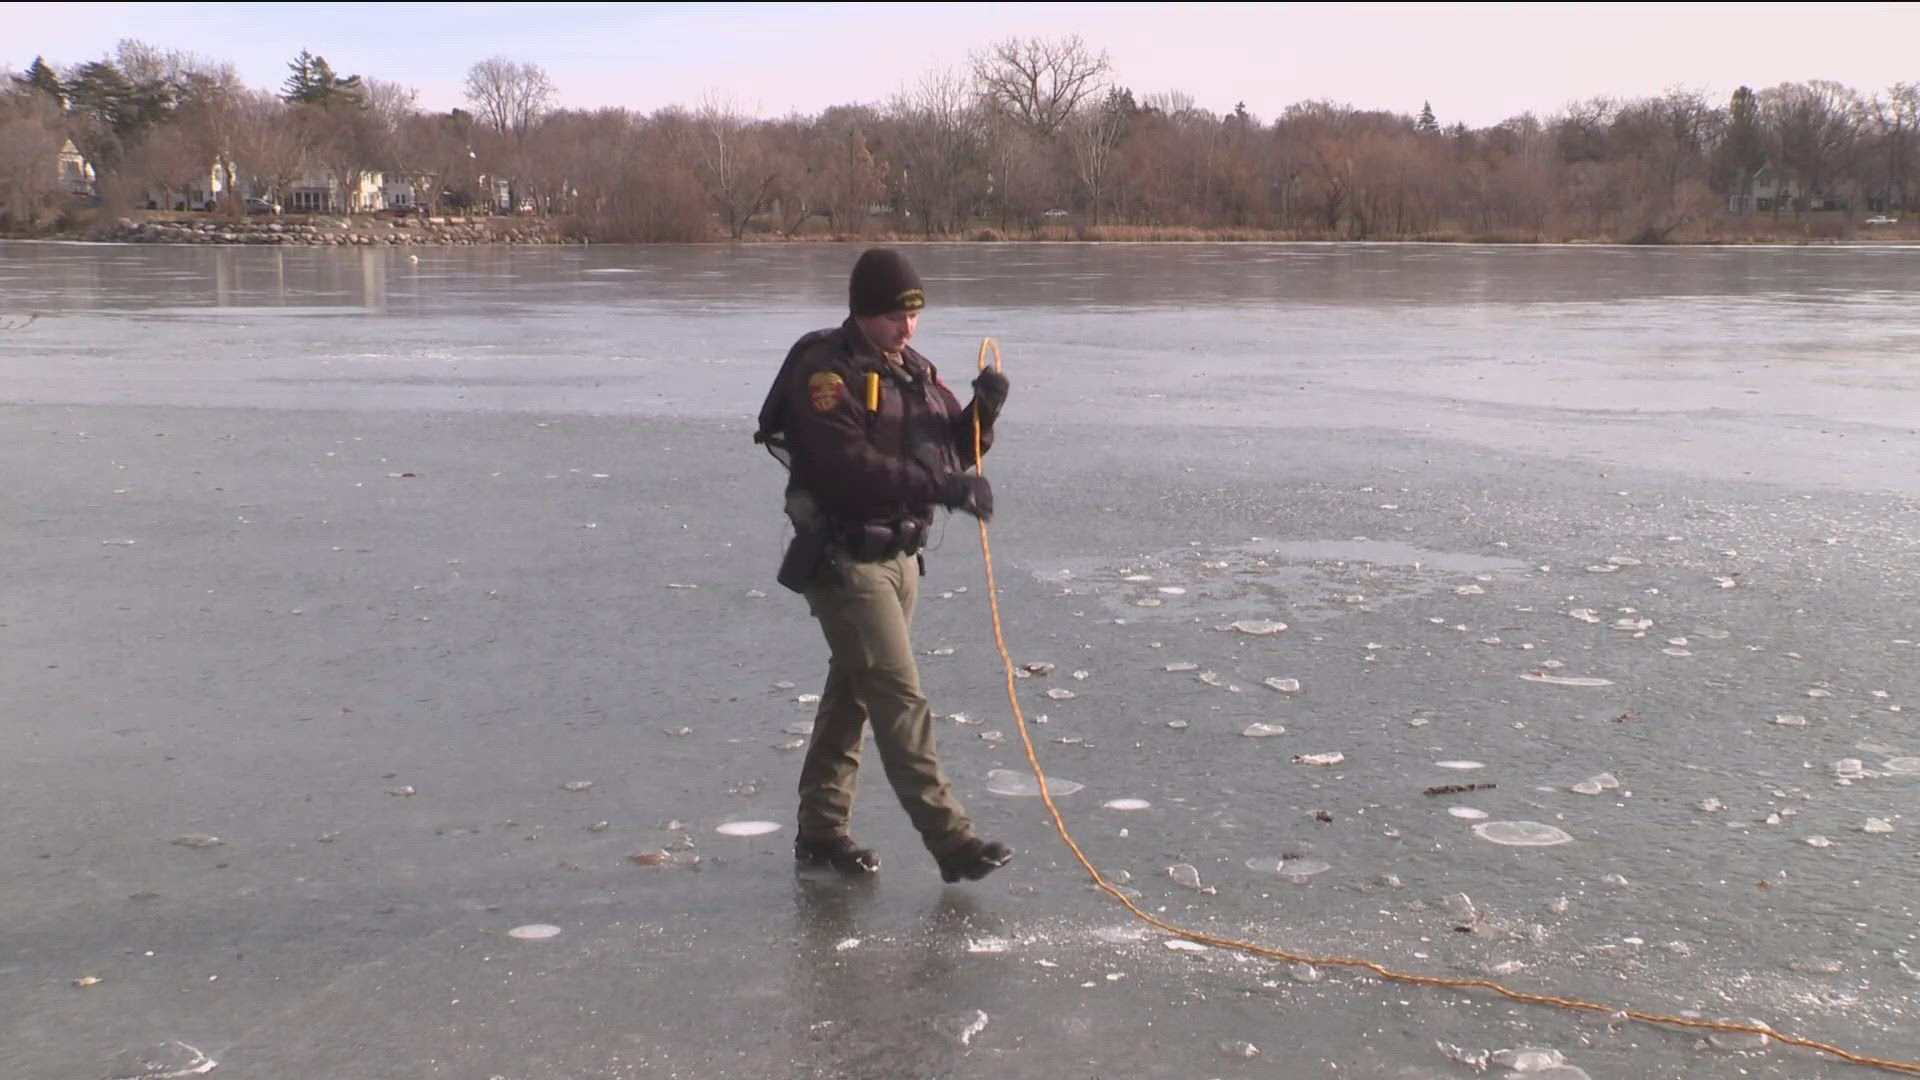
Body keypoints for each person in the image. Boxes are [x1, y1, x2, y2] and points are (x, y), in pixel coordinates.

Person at [758, 248, 1013, 883]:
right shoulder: (827, 374)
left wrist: (981, 416)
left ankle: (820, 832)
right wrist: (946, 492)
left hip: (901, 560)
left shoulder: (914, 370)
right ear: (866, 312)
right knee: (898, 698)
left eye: (915, 315)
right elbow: (845, 467)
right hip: (847, 561)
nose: (909, 328)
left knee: (852, 697)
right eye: (898, 316)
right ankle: (951, 841)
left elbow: (943, 448)